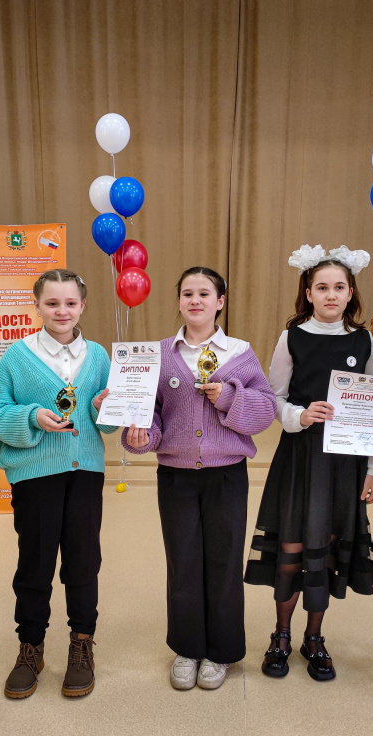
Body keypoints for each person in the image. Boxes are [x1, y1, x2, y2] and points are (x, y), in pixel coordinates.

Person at [244, 245, 373, 681]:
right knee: (292, 548)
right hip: (302, 457)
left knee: (327, 549)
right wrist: (300, 414)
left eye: (339, 287)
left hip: (344, 462)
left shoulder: (362, 339)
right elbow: (272, 398)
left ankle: (314, 637)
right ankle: (281, 634)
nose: (331, 295)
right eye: (322, 288)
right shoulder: (292, 336)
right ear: (308, 293)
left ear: (351, 293)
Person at [123, 266, 276, 691]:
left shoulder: (240, 353)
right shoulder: (158, 354)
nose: (195, 300)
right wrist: (142, 436)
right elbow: (150, 412)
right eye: (187, 293)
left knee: (224, 561)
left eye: (204, 293)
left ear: (220, 302)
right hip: (176, 476)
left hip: (226, 475)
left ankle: (221, 651)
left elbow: (265, 409)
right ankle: (187, 648)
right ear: (178, 301)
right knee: (183, 561)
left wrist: (229, 397)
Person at [0, 268, 116, 700]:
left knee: (83, 559)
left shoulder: (98, 356)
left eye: (70, 303)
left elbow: (107, 422)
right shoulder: (17, 356)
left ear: (83, 306)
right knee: (35, 562)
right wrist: (30, 417)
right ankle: (31, 647)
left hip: (85, 471)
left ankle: (82, 643)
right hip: (35, 474)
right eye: (52, 303)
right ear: (37, 305)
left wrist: (103, 407)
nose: (62, 311)